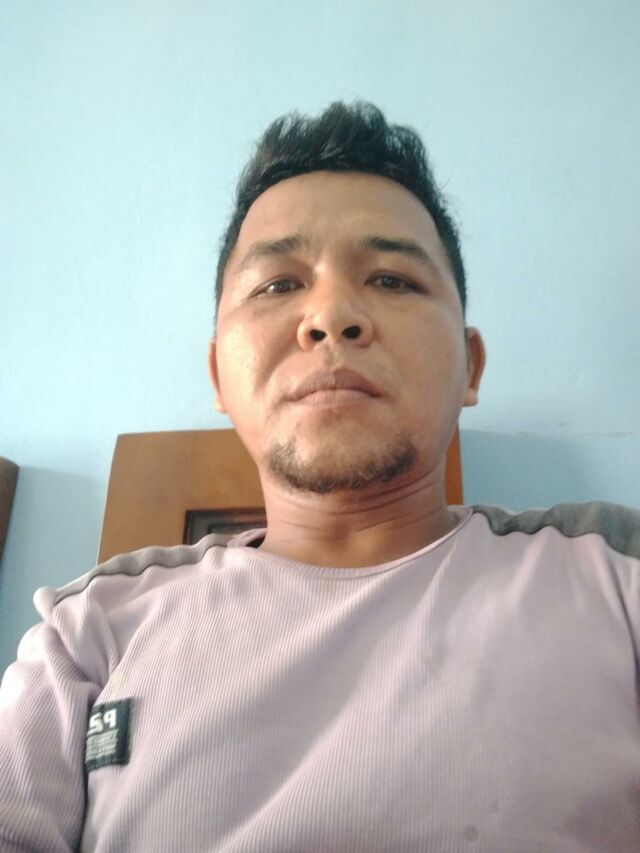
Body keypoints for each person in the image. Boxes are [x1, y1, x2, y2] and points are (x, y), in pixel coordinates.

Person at [1, 102, 639, 853]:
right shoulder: (90, 633)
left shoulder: (615, 572)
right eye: (278, 285)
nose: (332, 317)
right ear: (218, 375)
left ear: (470, 366)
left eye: (392, 279)